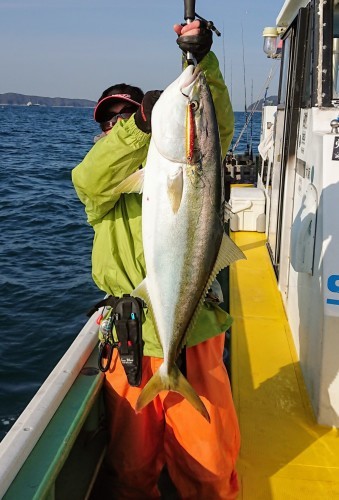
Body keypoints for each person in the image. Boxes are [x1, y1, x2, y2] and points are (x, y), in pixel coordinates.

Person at [72, 19, 240, 499]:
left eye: (127, 115)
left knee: (210, 464)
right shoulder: (102, 189)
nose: (117, 126)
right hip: (129, 340)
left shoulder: (174, 167)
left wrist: (200, 58)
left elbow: (213, 128)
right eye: (110, 121)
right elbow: (89, 179)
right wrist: (139, 129)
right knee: (131, 465)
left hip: (195, 332)